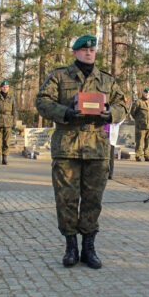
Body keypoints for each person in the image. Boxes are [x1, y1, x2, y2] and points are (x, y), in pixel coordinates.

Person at [36, 35, 127, 269]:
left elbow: (123, 104)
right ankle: (70, 247)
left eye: (92, 50)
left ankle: (89, 247)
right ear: (75, 52)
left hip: (96, 149)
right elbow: (42, 101)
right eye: (84, 50)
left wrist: (111, 115)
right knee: (66, 199)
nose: (89, 53)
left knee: (92, 200)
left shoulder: (106, 79)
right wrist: (65, 113)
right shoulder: (59, 76)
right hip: (67, 147)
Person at [130, 87, 149, 161]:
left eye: (148, 93)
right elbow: (132, 112)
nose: (147, 94)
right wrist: (139, 120)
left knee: (148, 142)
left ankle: (147, 156)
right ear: (143, 93)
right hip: (141, 126)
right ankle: (138, 156)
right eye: (145, 93)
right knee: (139, 142)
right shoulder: (138, 102)